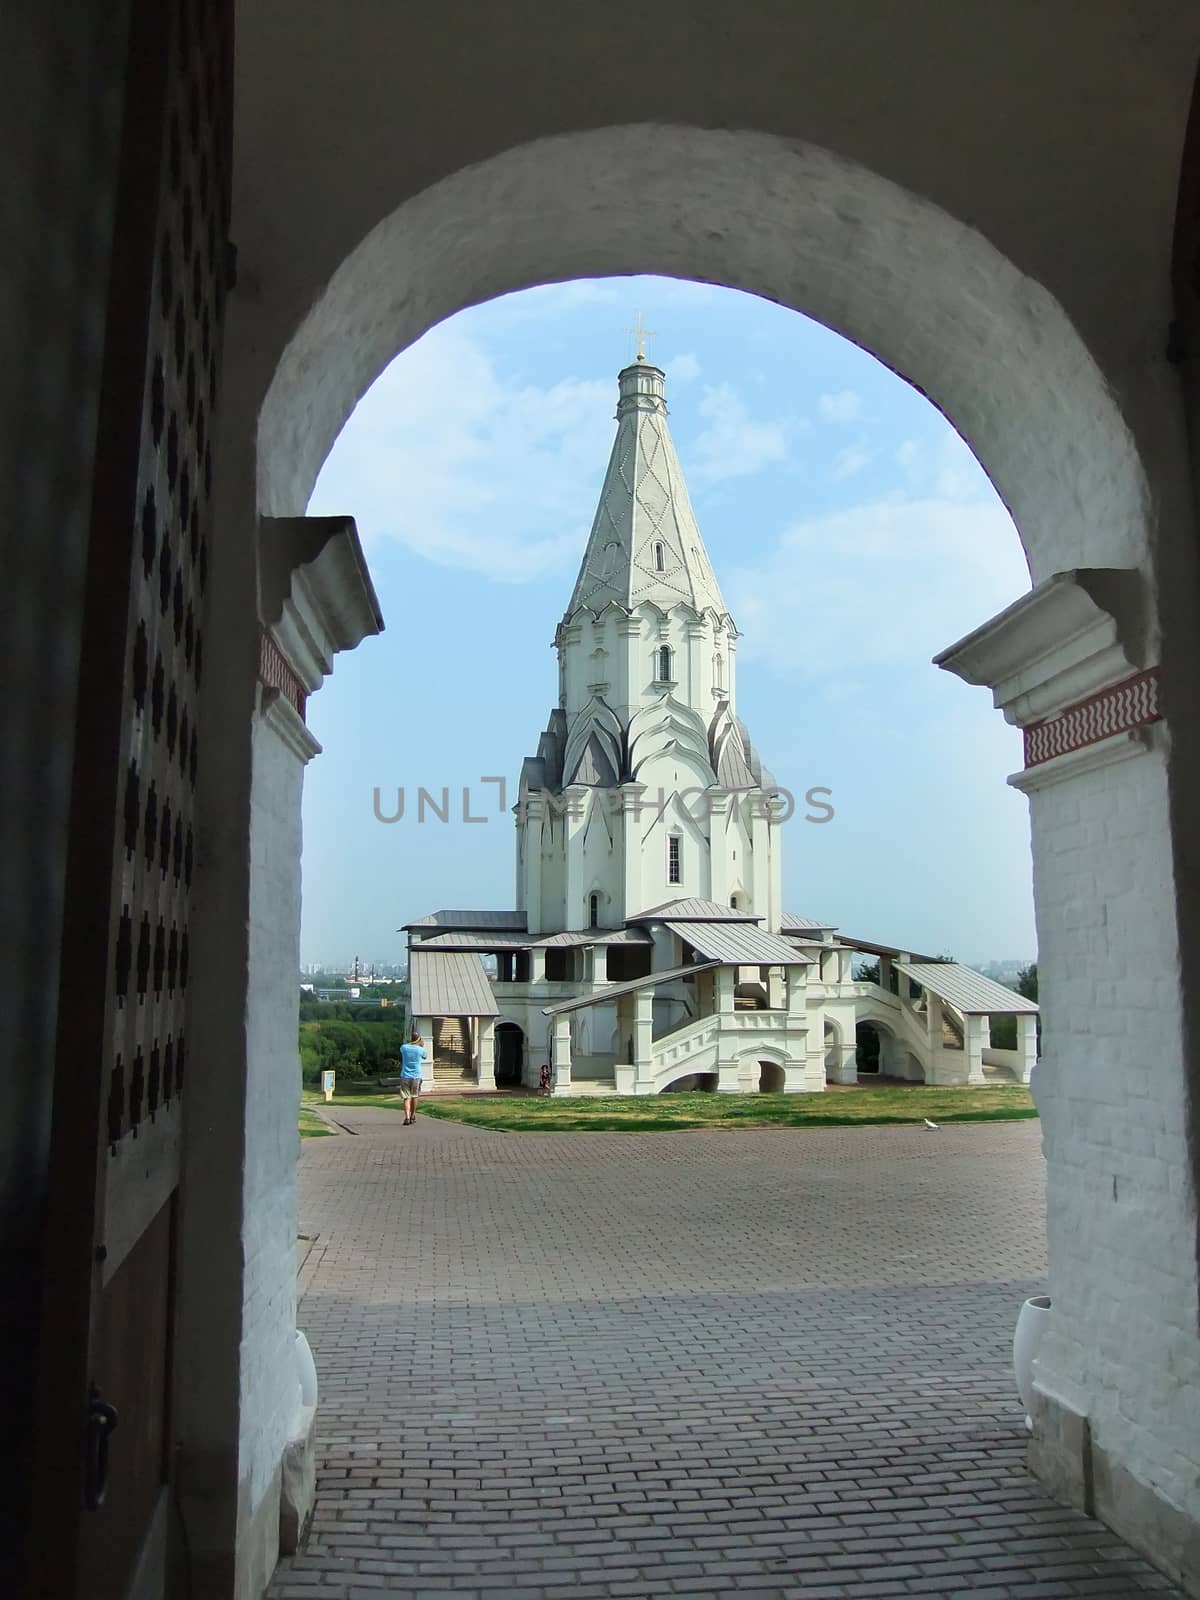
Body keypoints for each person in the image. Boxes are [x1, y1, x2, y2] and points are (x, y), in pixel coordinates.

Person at [398, 1032, 426, 1125]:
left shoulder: (404, 1047)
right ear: (419, 1039)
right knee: (414, 1096)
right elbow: (425, 1056)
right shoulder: (420, 1049)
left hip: (405, 1075)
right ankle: (413, 1115)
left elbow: (402, 1049)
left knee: (406, 1097)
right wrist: (421, 1046)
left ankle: (407, 1117)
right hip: (416, 1076)